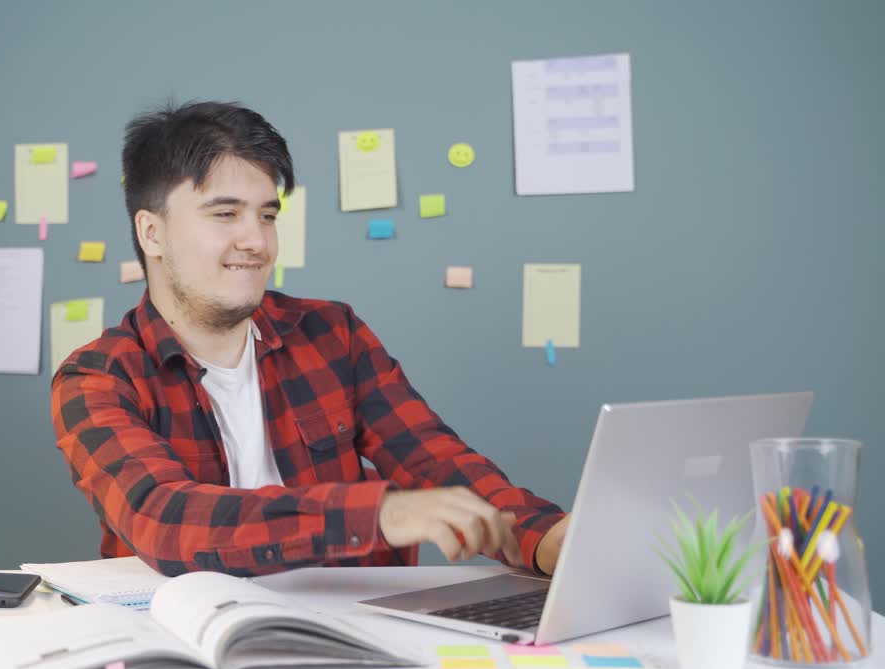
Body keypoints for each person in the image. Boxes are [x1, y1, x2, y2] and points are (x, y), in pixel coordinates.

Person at [51, 100, 569, 578]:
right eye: (225, 214)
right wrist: (375, 514)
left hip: (353, 632)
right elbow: (161, 517)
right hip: (185, 646)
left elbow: (434, 459)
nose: (256, 241)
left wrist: (546, 538)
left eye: (268, 215)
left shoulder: (332, 335)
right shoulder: (96, 378)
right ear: (152, 233)